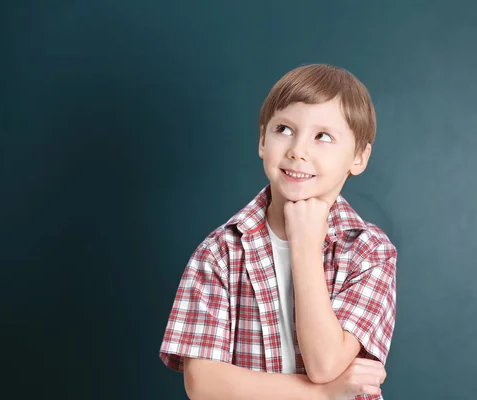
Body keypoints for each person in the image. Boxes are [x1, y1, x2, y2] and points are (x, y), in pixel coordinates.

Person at [159, 64, 398, 400]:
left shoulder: (370, 251)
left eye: (323, 136)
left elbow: (325, 363)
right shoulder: (220, 252)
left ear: (358, 157)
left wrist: (304, 246)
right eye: (284, 129)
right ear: (262, 140)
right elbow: (203, 384)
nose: (297, 150)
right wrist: (326, 394)